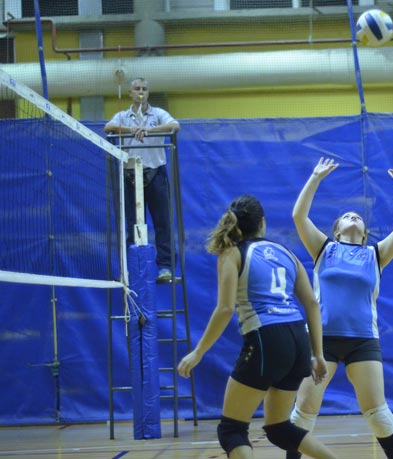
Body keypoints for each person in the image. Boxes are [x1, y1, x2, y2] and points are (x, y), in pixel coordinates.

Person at [177, 195, 338, 459]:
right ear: (262, 223)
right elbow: (311, 302)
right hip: (299, 339)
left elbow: (225, 308)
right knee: (279, 429)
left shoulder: (232, 252)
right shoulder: (286, 253)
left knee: (231, 430)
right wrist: (317, 354)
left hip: (267, 337)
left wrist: (198, 352)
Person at [286, 157, 393, 459]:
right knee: (303, 412)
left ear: (365, 232)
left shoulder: (375, 254)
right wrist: (315, 177)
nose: (353, 216)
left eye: (358, 216)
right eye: (346, 216)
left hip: (363, 343)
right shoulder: (324, 249)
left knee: (378, 413)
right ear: (338, 231)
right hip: (321, 340)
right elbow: (298, 216)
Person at [104, 77, 180, 283]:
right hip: (130, 175)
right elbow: (108, 128)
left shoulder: (158, 114)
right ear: (130, 93)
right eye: (137, 88)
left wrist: (148, 130)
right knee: (133, 225)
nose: (141, 92)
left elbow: (175, 125)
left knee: (163, 222)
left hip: (155, 173)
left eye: (144, 89)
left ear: (148, 92)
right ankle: (134, 269)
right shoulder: (122, 115)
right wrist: (131, 131)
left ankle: (165, 268)